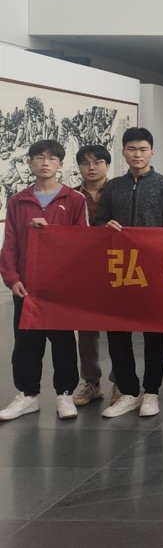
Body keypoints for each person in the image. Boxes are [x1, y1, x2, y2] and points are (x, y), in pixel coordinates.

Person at [95, 127, 163, 418]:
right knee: (117, 332)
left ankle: (151, 392)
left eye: (143, 149)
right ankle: (129, 391)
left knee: (154, 333)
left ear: (152, 152)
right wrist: (106, 226)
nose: (137, 154)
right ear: (123, 152)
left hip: (154, 270)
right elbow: (99, 221)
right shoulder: (113, 187)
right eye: (131, 149)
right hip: (120, 269)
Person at [0, 140, 88, 421]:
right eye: (39, 157)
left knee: (63, 341)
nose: (45, 163)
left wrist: (52, 232)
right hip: (26, 286)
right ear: (30, 163)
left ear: (60, 164)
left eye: (51, 158)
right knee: (26, 342)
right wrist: (11, 278)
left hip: (59, 287)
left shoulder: (74, 200)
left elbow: (82, 243)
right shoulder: (18, 201)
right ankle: (28, 395)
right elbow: (10, 243)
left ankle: (65, 393)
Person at [72, 144, 115, 408]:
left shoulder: (119, 190)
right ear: (79, 167)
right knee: (86, 327)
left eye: (97, 162)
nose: (91, 167)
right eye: (85, 163)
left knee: (119, 326)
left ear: (107, 165)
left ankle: (121, 381)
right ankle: (91, 382)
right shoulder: (70, 196)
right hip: (84, 269)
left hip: (116, 265)